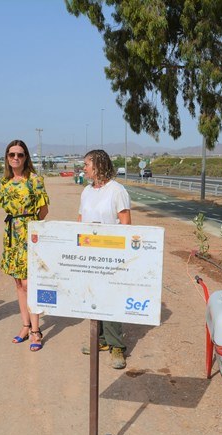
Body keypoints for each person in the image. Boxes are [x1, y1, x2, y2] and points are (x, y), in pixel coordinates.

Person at [78, 149, 131, 369]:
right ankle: (99, 340)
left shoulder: (117, 191)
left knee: (110, 299)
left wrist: (123, 254)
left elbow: (126, 223)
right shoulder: (86, 192)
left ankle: (116, 345)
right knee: (93, 296)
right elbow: (81, 219)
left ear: (99, 165)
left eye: (87, 164)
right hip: (89, 254)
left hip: (111, 255)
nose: (84, 168)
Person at [0, 140, 49, 352]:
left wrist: (32, 230)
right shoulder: (5, 182)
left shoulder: (35, 180)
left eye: (20, 154)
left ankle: (37, 330)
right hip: (11, 235)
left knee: (30, 284)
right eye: (12, 155)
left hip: (29, 234)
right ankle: (26, 326)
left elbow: (44, 210)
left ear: (26, 157)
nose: (16, 158)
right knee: (19, 284)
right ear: (7, 158)